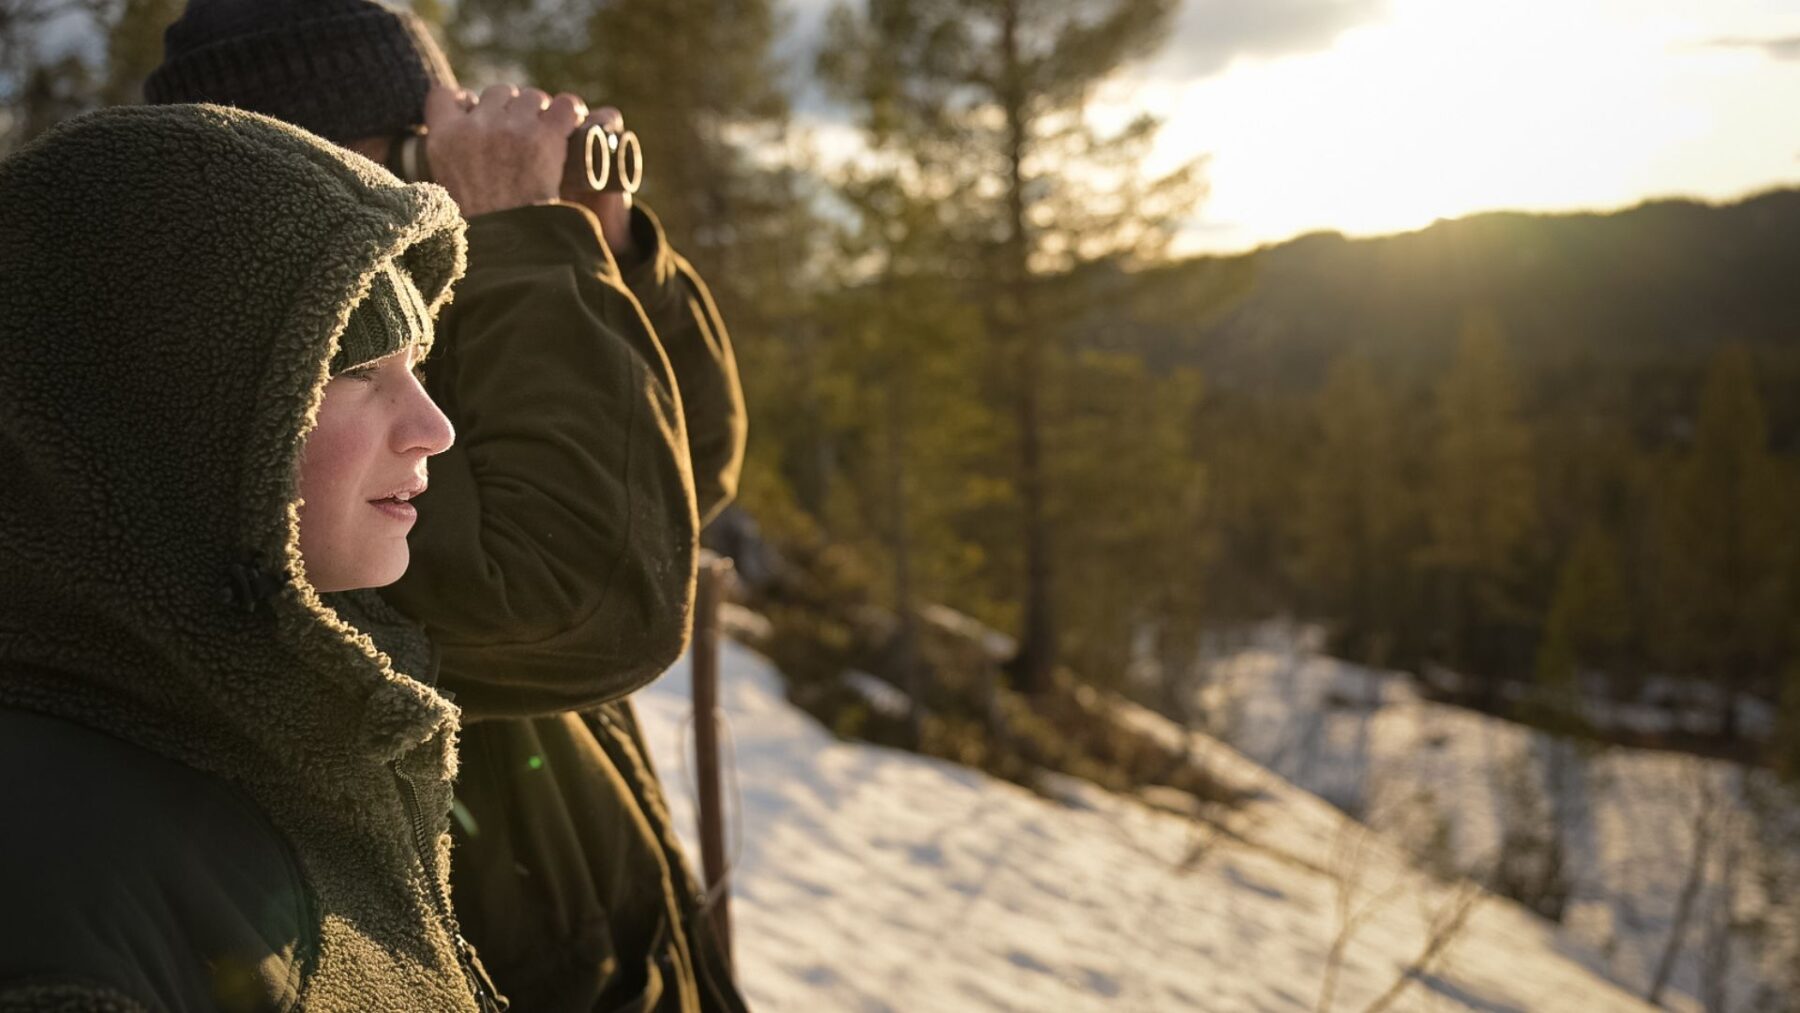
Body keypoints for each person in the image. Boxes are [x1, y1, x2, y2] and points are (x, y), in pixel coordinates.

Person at [143, 3, 751, 1009]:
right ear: (297, 166)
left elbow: (680, 486)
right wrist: (523, 239)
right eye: (416, 145)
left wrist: (599, 245)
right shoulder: (276, 418)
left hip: (599, 905)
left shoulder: (424, 323)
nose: (437, 182)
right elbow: (588, 588)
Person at [0, 103, 500, 1011]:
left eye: (418, 364)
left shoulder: (298, 738)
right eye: (358, 369)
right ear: (167, 419)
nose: (435, 426)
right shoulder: (53, 899)